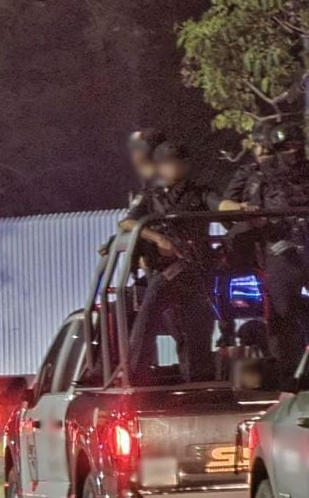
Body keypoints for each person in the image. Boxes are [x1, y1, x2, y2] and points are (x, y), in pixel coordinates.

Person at [120, 141, 218, 383]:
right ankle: (134, 374)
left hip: (196, 271)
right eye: (170, 162)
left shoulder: (200, 193)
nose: (176, 167)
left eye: (180, 162)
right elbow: (128, 223)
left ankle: (199, 384)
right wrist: (157, 238)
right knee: (150, 316)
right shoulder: (151, 197)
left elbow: (221, 205)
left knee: (196, 329)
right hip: (164, 271)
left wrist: (240, 208)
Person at [221, 120, 309, 374]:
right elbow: (234, 210)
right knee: (282, 315)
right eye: (285, 148)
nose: (292, 153)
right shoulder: (261, 175)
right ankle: (289, 377)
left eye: (296, 146)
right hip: (277, 250)